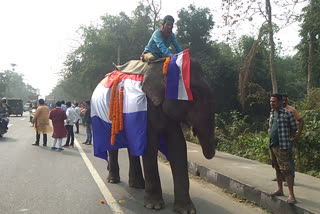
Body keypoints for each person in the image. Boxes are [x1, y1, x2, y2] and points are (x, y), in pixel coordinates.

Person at [269, 93, 297, 204]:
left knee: (287, 170)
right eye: (271, 101)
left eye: (274, 101)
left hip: (283, 146)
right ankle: (280, 189)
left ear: (280, 102)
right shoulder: (272, 113)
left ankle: (291, 195)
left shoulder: (288, 113)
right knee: (277, 168)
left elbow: (293, 127)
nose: (272, 103)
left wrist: (288, 140)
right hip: (272, 145)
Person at [282, 94, 304, 184]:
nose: (284, 102)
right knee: (280, 158)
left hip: (289, 138)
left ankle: (292, 179)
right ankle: (282, 177)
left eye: (285, 100)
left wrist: (298, 134)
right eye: (282, 100)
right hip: (280, 139)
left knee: (289, 158)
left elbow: (301, 121)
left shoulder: (291, 110)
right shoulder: (277, 110)